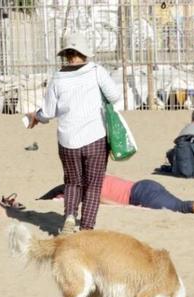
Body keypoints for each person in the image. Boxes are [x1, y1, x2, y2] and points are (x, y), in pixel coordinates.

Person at [28, 31, 123, 233]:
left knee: (72, 182)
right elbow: (115, 96)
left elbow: (48, 112)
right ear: (84, 52)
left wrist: (36, 117)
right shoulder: (97, 71)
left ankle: (70, 217)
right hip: (95, 136)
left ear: (66, 54)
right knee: (94, 184)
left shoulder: (58, 77)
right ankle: (87, 227)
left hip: (67, 140)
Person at [99, 175, 194, 214]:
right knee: (179, 206)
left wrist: (128, 207)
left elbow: (106, 201)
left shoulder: (91, 189)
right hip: (145, 185)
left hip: (140, 194)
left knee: (181, 206)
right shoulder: (99, 174)